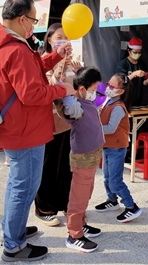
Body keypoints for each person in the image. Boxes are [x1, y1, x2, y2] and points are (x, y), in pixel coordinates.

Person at [0, 0, 75, 262]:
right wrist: (62, 88)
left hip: (13, 126)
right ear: (22, 19)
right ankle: (13, 245)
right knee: (24, 186)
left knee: (17, 185)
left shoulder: (3, 44)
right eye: (33, 19)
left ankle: (12, 230)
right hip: (24, 130)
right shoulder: (17, 50)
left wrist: (54, 56)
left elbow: (31, 70)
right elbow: (32, 93)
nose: (34, 25)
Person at [34, 22, 82, 227]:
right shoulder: (43, 61)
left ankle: (64, 201)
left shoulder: (73, 62)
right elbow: (50, 86)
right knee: (48, 165)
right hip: (49, 121)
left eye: (66, 37)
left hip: (68, 122)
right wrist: (59, 65)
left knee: (66, 165)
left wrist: (81, 74)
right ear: (49, 40)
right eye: (58, 37)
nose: (63, 41)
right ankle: (43, 207)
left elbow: (79, 91)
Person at [60, 67, 105, 253]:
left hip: (92, 155)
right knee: (79, 196)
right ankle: (74, 234)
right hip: (83, 157)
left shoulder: (86, 101)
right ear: (81, 89)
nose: (95, 93)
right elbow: (67, 99)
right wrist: (67, 84)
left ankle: (81, 223)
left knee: (86, 193)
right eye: (93, 89)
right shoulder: (74, 105)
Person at [95, 72, 142, 222]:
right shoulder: (109, 102)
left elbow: (110, 128)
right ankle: (112, 200)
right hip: (108, 146)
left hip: (117, 148)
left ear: (121, 91)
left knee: (115, 180)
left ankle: (131, 206)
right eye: (108, 84)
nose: (107, 87)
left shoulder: (118, 107)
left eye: (112, 86)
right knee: (107, 177)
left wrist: (94, 127)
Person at [116, 37, 148, 107]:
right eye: (135, 52)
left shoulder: (141, 64)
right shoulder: (123, 64)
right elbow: (121, 81)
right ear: (129, 51)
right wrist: (134, 74)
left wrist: (147, 81)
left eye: (139, 52)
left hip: (138, 99)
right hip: (125, 99)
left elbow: (142, 83)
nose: (137, 54)